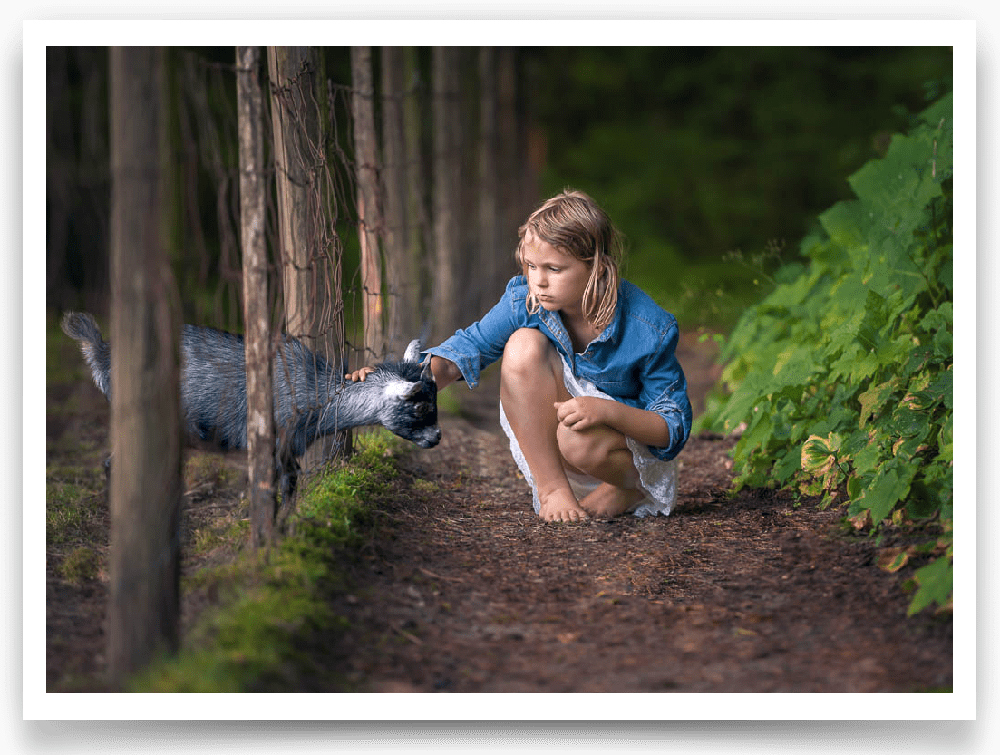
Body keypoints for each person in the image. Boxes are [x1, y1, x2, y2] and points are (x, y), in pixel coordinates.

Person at [348, 189, 692, 523]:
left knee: (578, 441)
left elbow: (671, 429)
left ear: (597, 269)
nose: (538, 281)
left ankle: (629, 488)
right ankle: (553, 489)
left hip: (620, 450)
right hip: (560, 440)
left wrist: (605, 410)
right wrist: (391, 382)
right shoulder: (526, 299)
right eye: (531, 266)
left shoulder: (649, 328)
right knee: (523, 344)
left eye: (554, 269)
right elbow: (465, 351)